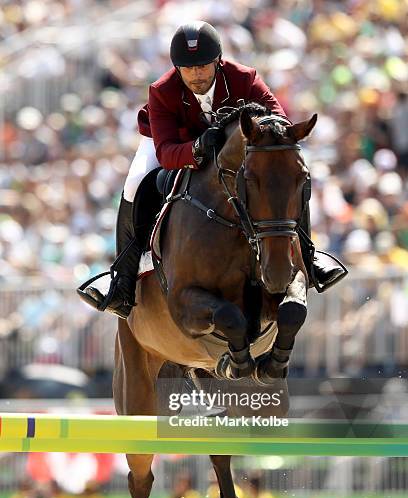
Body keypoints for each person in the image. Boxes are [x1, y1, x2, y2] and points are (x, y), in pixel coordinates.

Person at [78, 21, 347, 319]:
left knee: (287, 174)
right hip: (176, 143)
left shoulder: (244, 78)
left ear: (218, 61)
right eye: (187, 68)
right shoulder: (162, 91)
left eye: (203, 66)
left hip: (232, 149)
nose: (195, 75)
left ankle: (309, 258)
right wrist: (196, 149)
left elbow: (278, 122)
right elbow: (166, 153)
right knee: (135, 182)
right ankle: (123, 277)